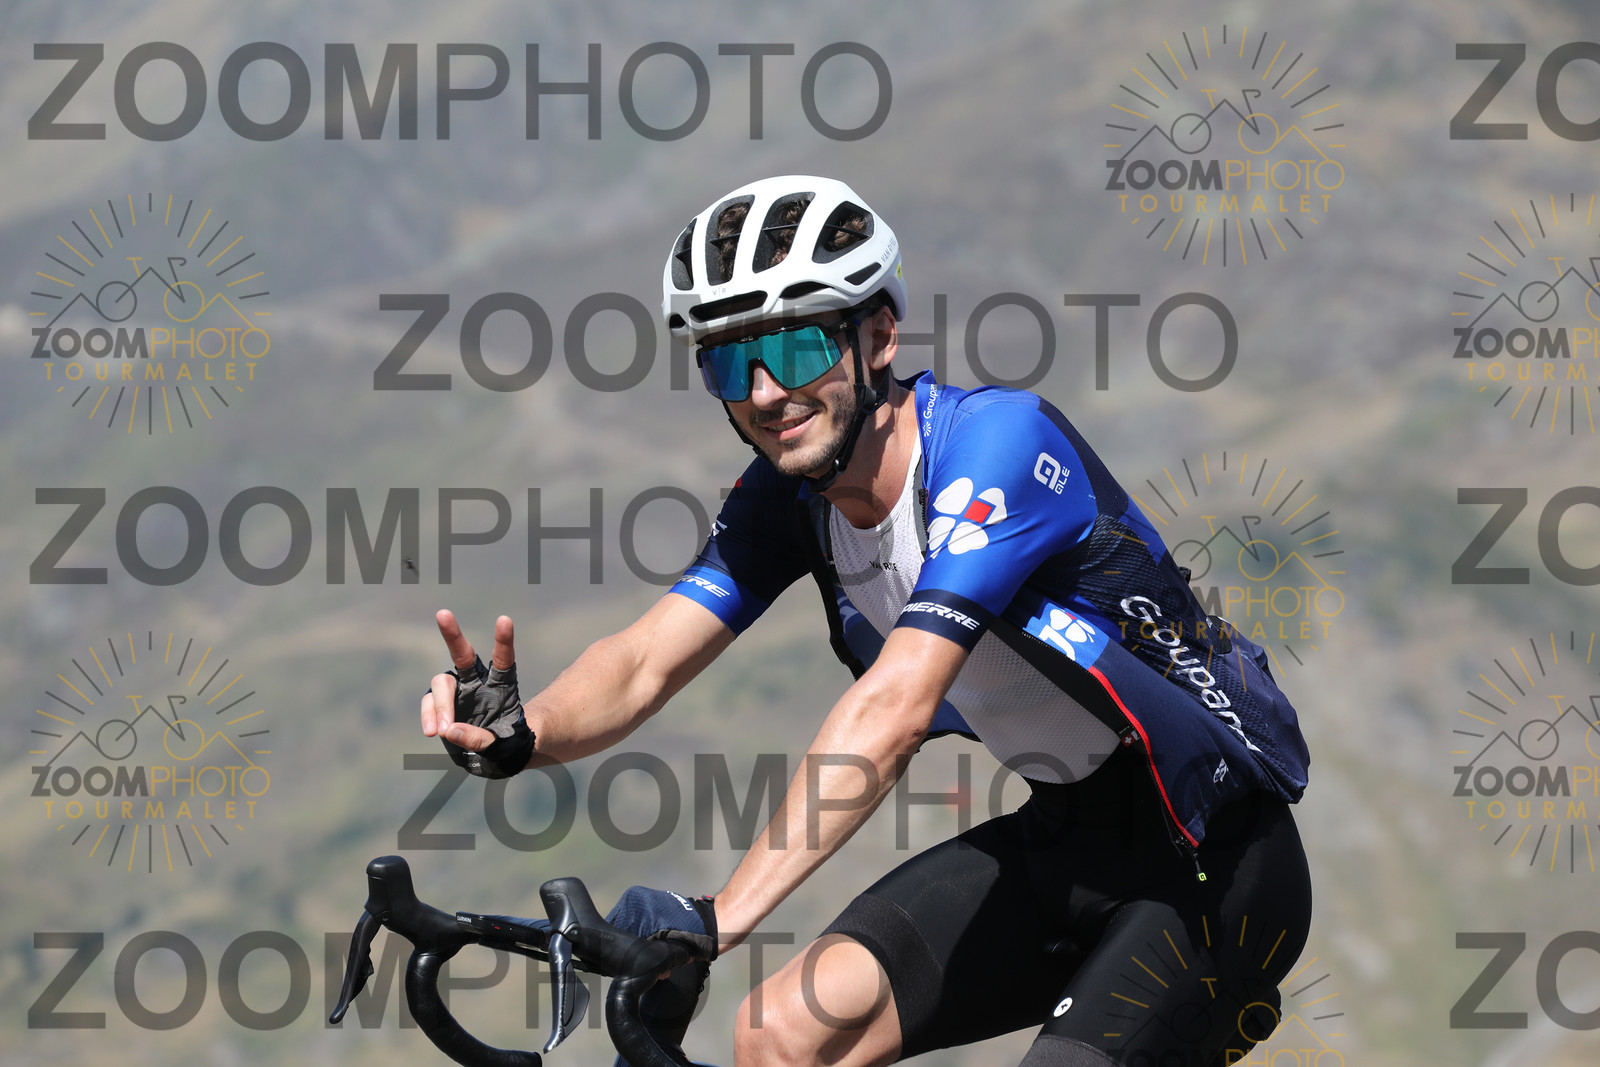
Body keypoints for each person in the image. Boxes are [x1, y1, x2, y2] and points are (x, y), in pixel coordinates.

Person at [420, 175, 1314, 1067]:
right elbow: (646, 659)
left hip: (1215, 866)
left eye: (796, 346)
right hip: (1062, 838)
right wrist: (524, 731)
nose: (766, 392)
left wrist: (718, 918)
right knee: (778, 1034)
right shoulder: (788, 498)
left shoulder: (998, 445)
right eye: (730, 363)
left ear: (879, 335)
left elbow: (897, 707)